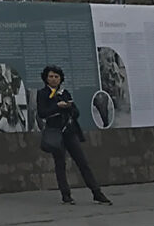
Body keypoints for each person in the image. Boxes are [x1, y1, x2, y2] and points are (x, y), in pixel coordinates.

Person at [36, 65, 111, 206]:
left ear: (60, 79)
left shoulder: (65, 93)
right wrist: (57, 106)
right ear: (46, 78)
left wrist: (69, 106)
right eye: (51, 76)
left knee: (83, 162)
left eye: (56, 77)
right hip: (55, 132)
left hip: (70, 132)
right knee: (60, 164)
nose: (53, 79)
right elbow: (42, 112)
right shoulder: (42, 93)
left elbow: (76, 113)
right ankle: (66, 195)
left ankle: (97, 193)